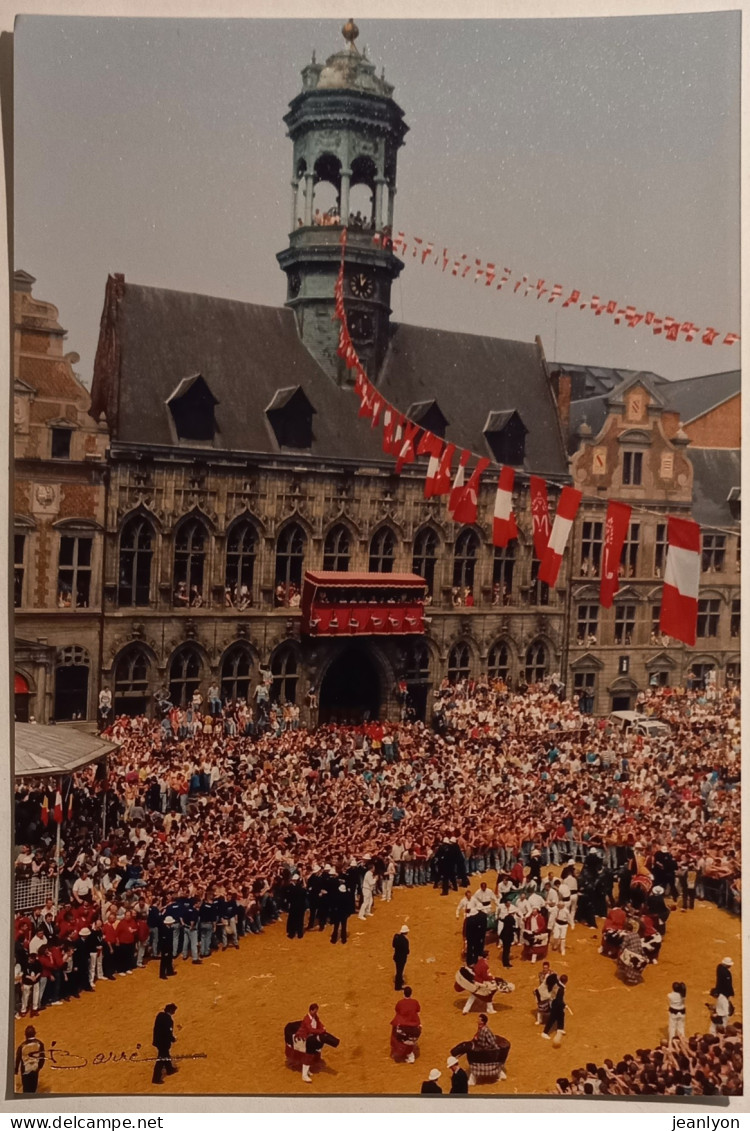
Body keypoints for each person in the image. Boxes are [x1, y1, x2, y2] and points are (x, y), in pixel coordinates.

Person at [390, 986, 421, 1063]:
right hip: (415, 1033)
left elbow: (397, 1011)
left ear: (404, 994)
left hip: (403, 1032)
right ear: (411, 994)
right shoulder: (415, 1002)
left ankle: (398, 1052)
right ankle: (410, 1054)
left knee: (395, 1033)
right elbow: (418, 1012)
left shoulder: (400, 1003)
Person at [151, 1003, 178, 1085]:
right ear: (170, 1010)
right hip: (163, 1043)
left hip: (158, 1041)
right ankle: (156, 1079)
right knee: (161, 1060)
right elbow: (167, 1033)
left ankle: (169, 1070)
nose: (174, 1012)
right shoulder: (169, 1020)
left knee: (165, 1055)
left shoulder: (160, 1015)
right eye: (174, 1011)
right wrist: (173, 1039)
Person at [15, 1025, 45, 1093]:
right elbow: (42, 1058)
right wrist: (39, 1067)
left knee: (26, 1089)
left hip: (25, 1070)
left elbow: (18, 1059)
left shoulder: (21, 1046)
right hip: (35, 1069)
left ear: (25, 1035)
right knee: (33, 1088)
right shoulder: (40, 1043)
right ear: (35, 1033)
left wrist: (16, 1069)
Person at [542, 973, 568, 1040]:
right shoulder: (561, 990)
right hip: (555, 1004)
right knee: (552, 1018)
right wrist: (564, 1005)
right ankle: (545, 1032)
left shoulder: (557, 983)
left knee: (561, 1014)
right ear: (565, 982)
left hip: (553, 1001)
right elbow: (559, 1000)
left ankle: (560, 1028)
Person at [392, 924, 409, 990]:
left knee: (398, 970)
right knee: (400, 971)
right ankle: (398, 986)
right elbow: (407, 951)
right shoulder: (405, 941)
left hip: (396, 957)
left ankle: (400, 981)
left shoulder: (396, 937)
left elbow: (393, 945)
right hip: (402, 958)